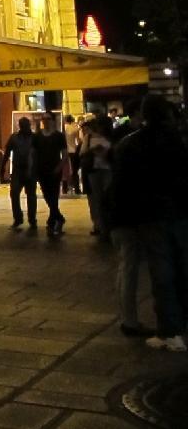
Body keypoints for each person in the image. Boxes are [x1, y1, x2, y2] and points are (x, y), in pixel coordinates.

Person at [111, 95, 188, 351]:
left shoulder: (131, 144)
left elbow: (122, 184)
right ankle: (179, 322)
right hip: (178, 212)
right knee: (180, 265)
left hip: (150, 215)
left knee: (162, 270)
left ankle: (171, 330)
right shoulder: (178, 141)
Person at [33, 113, 69, 235]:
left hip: (54, 170)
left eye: (48, 119)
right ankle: (58, 218)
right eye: (43, 119)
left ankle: (52, 221)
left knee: (53, 195)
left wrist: (59, 167)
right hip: (41, 170)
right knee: (47, 195)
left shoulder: (59, 136)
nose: (45, 121)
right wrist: (33, 168)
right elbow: (33, 153)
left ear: (53, 120)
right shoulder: (37, 136)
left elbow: (65, 154)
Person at [80, 115, 113, 236]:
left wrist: (106, 152)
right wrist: (92, 150)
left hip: (108, 169)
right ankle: (100, 226)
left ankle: (107, 225)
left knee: (107, 198)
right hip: (93, 170)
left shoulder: (111, 137)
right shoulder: (88, 137)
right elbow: (82, 153)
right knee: (96, 199)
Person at [3, 117, 37, 229]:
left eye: (26, 125)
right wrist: (3, 167)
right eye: (22, 125)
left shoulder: (34, 137)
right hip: (18, 170)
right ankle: (18, 218)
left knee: (31, 195)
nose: (24, 127)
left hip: (30, 170)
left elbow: (40, 154)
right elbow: (7, 153)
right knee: (14, 193)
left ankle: (32, 219)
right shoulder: (14, 137)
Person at [63, 114, 82, 196]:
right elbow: (78, 140)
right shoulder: (75, 128)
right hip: (74, 151)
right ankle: (77, 189)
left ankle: (64, 188)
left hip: (65, 151)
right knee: (74, 171)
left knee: (65, 170)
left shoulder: (63, 128)